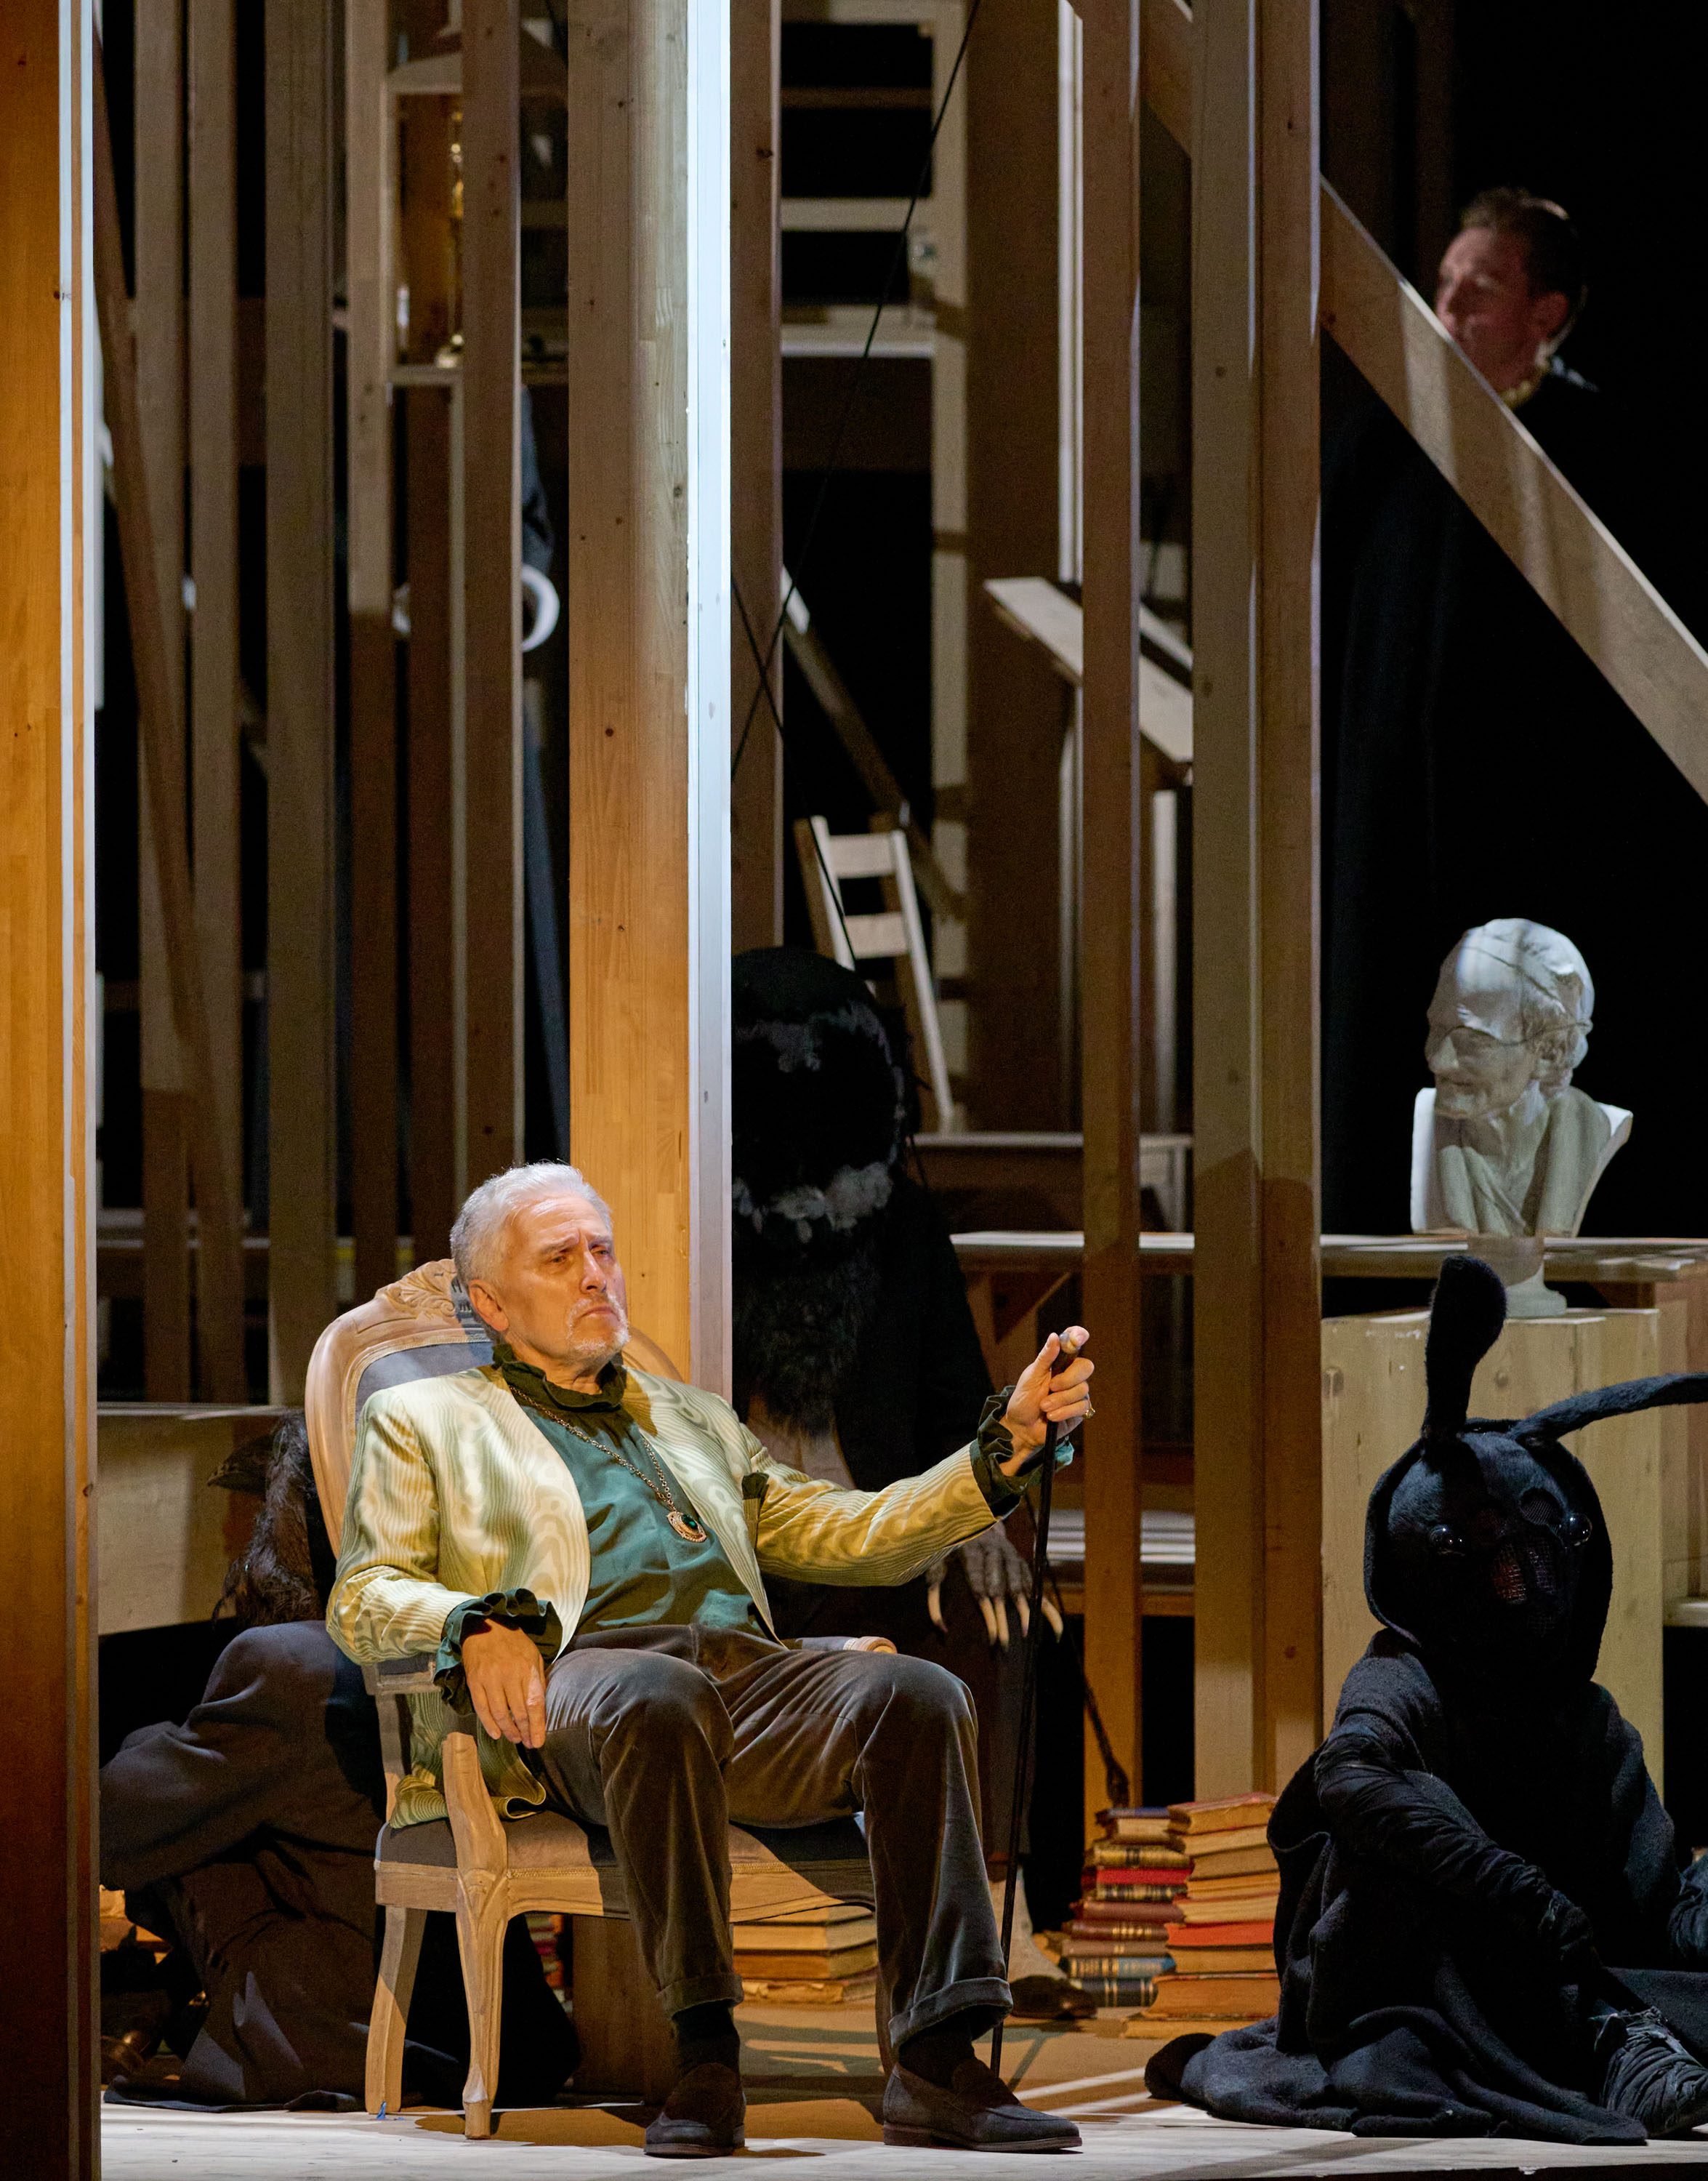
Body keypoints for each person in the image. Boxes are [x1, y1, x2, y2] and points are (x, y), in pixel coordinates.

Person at [329, 1161, 1095, 2156]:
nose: (595, 1274)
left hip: (740, 1677)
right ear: (490, 1302)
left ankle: (936, 2056)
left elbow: (847, 1530)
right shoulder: (425, 1419)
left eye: (601, 1250)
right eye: (560, 1259)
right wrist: (473, 1624)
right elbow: (364, 1593)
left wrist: (1001, 1452)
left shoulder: (687, 1418)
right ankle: (703, 2054)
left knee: (915, 1692)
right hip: (580, 1686)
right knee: (658, 1692)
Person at [1148, 1254, 1708, 2143]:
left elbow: (1640, 1895)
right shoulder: (1402, 1679)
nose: (1522, 1575)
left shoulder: (1582, 1715)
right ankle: (1598, 2042)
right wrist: (1505, 1883)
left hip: (1564, 1945)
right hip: (1408, 1970)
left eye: (1537, 1543)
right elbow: (1352, 1776)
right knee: (1403, 1843)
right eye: (1489, 1548)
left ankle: (1620, 2029)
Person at [1322, 188, 1708, 1238]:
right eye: (1439, 286)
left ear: (1544, 314)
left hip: (1543, 815)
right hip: (1396, 816)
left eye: (1478, 292)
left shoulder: (1604, 449)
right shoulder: (1377, 444)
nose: (1443, 311)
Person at [100, 1415, 574, 2109]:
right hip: (517, 2045)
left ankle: (204, 2016)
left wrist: (147, 1742)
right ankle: (165, 1999)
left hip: (348, 2043)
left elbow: (114, 1830)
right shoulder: (493, 1650)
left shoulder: (296, 1666)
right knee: (224, 1798)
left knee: (189, 1814)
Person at [1413, 918, 1628, 1237]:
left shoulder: (1595, 1130)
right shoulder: (1426, 1125)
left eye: (1472, 1041)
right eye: (1437, 1030)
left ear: (1549, 1053)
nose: (1438, 1062)